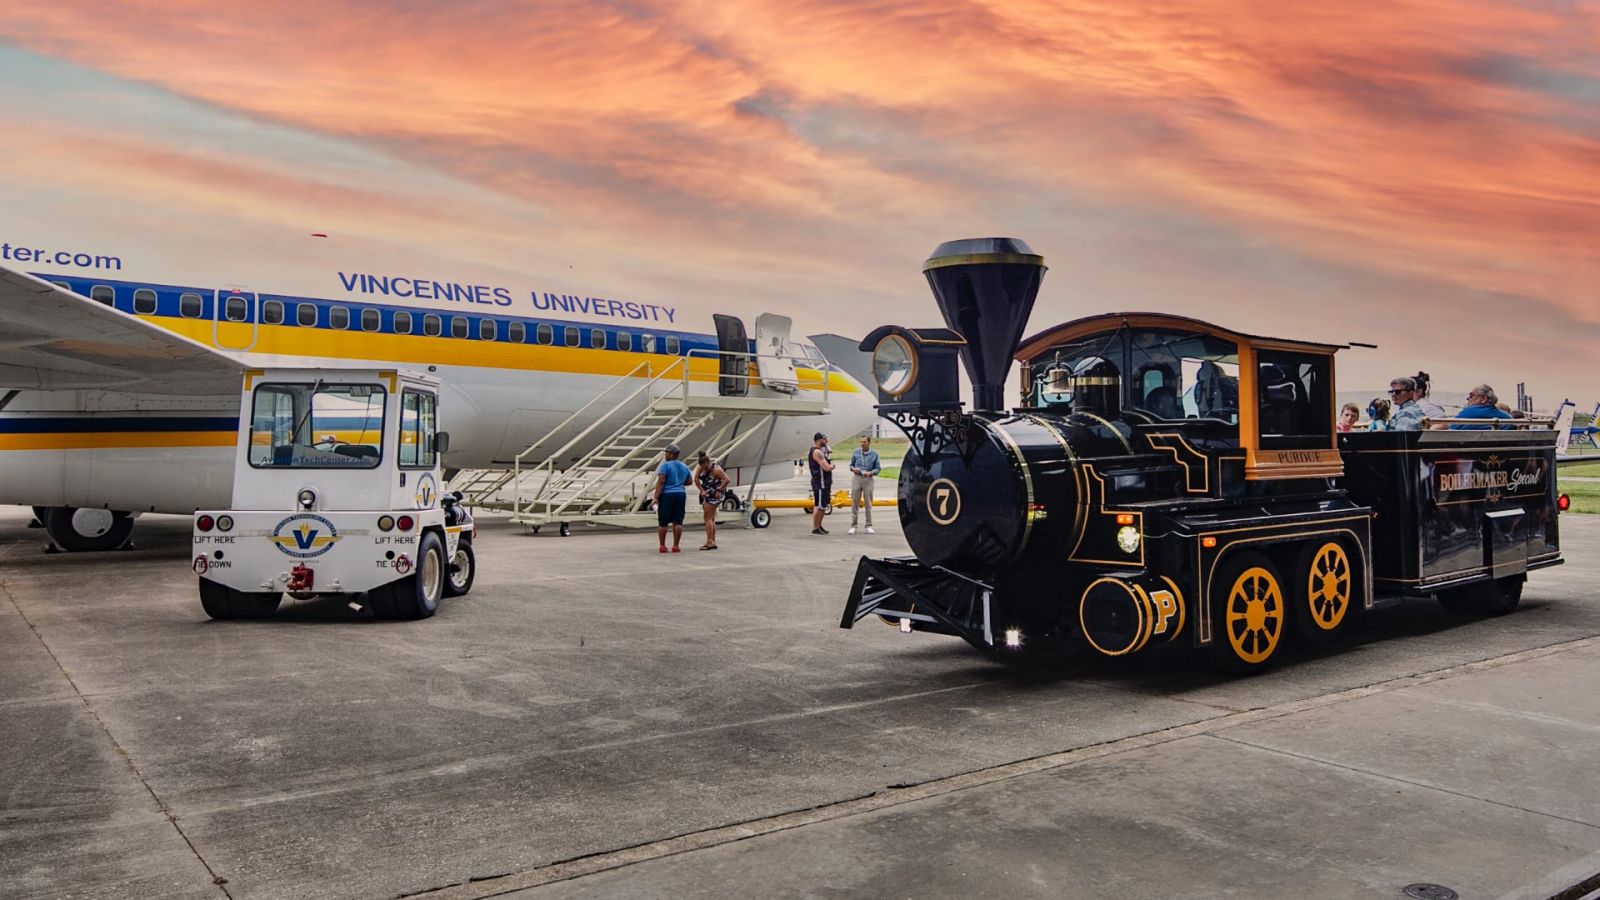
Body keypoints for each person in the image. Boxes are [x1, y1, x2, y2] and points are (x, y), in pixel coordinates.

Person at [653, 443, 692, 552]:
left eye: (666, 452)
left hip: (667, 495)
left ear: (670, 454)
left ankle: (662, 546)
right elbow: (689, 481)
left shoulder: (665, 466)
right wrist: (679, 483)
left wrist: (656, 497)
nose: (665, 454)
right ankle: (676, 546)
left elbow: (661, 481)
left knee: (663, 522)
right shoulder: (684, 466)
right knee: (678, 522)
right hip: (680, 494)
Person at [694, 451, 730, 550]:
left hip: (714, 494)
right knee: (711, 518)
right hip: (706, 492)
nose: (703, 469)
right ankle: (712, 540)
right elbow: (696, 479)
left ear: (708, 463)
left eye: (705, 467)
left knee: (708, 518)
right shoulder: (700, 467)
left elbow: (727, 479)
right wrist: (701, 490)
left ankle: (709, 541)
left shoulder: (717, 470)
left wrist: (719, 490)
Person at [848, 435, 881, 534]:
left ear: (869, 442)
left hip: (868, 479)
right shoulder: (856, 452)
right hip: (857, 478)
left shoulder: (875, 454)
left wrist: (870, 473)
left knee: (868, 503)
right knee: (854, 502)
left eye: (864, 442)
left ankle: (869, 525)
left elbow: (878, 468)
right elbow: (851, 465)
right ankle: (853, 525)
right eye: (861, 442)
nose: (862, 444)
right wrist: (854, 469)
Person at [808, 432, 834, 535]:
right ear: (819, 440)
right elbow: (826, 467)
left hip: (825, 482)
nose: (826, 441)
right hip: (820, 482)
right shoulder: (817, 452)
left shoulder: (821, 451)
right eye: (824, 439)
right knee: (818, 506)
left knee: (824, 505)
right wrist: (832, 466)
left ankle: (819, 525)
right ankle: (815, 527)